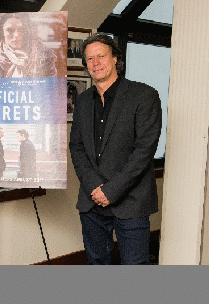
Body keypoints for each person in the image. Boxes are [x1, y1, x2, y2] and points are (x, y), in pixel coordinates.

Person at [69, 33, 162, 265]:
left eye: (101, 56)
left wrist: (111, 191)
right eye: (90, 59)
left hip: (131, 201)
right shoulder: (82, 101)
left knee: (134, 267)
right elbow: (77, 147)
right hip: (91, 202)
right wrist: (94, 187)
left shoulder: (144, 95)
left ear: (115, 59)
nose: (95, 63)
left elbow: (143, 151)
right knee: (97, 264)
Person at [0, 13, 58, 78]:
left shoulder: (45, 54)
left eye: (21, 30)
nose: (16, 35)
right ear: (2, 32)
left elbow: (49, 89)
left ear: (27, 31)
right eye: (10, 30)